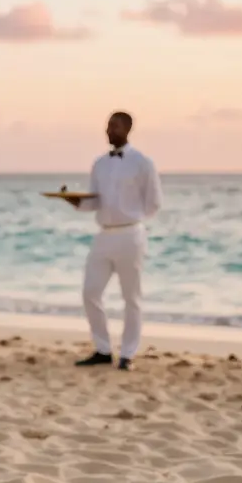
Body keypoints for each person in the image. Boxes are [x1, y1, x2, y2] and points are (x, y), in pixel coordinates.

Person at [63, 111, 162, 371]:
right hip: (104, 235)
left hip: (131, 235)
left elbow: (154, 203)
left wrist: (131, 217)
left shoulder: (143, 163)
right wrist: (74, 201)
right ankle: (103, 349)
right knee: (90, 292)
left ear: (127, 129)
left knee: (131, 298)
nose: (108, 130)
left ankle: (127, 354)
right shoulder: (99, 164)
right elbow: (95, 203)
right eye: (107, 125)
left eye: (114, 126)